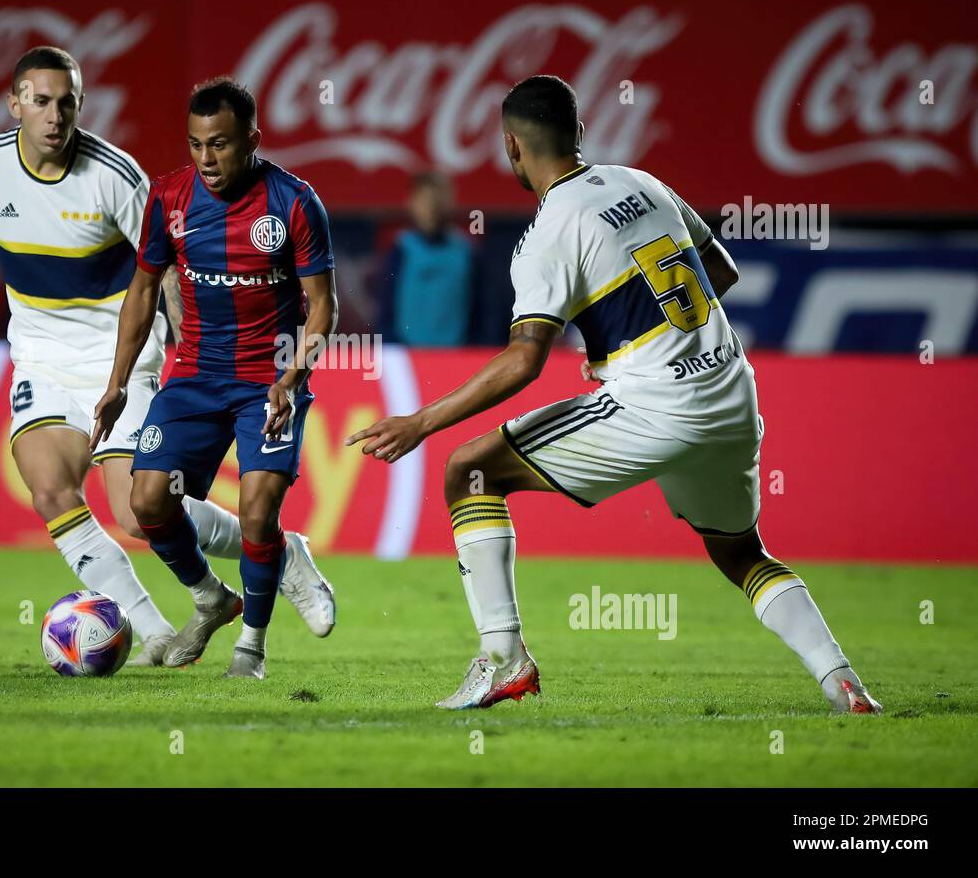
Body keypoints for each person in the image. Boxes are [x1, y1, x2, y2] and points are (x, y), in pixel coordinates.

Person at [347, 74, 882, 714]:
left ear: (511, 147)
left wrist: (421, 423)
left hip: (655, 403)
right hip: (730, 392)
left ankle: (505, 663)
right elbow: (721, 271)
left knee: (469, 471)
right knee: (742, 553)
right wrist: (634, 337)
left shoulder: (548, 233)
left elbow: (524, 360)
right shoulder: (643, 182)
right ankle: (844, 684)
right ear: (580, 132)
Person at [0, 49, 335, 668]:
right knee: (50, 490)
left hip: (122, 350)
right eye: (40, 101)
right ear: (15, 105)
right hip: (40, 356)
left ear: (81, 106)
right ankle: (160, 627)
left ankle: (283, 555)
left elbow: (164, 269)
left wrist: (183, 345)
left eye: (67, 102)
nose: (55, 115)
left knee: (139, 510)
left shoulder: (117, 176)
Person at [92, 77, 337, 680]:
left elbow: (324, 304)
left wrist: (293, 374)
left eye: (221, 144)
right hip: (196, 375)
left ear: (253, 139)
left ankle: (251, 646)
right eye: (197, 144)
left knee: (257, 512)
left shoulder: (294, 202)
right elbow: (143, 289)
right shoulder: (170, 198)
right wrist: (119, 381)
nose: (207, 159)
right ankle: (210, 597)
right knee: (147, 500)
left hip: (268, 381)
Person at [376, 171, 476, 346]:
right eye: (425, 201)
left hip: (458, 357)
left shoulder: (467, 252)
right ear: (411, 203)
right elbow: (385, 310)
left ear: (450, 202)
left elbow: (482, 312)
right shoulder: (400, 251)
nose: (432, 208)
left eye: (437, 201)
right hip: (406, 355)